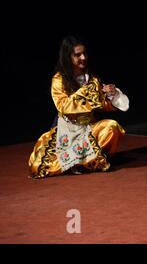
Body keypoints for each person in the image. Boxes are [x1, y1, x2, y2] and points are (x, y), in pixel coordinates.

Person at [29, 35, 129, 179]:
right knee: (41, 165)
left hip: (88, 128)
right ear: (67, 57)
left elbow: (100, 105)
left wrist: (111, 95)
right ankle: (80, 160)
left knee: (111, 127)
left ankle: (87, 161)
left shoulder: (92, 78)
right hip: (67, 131)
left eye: (84, 53)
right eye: (77, 55)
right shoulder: (59, 79)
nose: (83, 57)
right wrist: (87, 92)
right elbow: (63, 106)